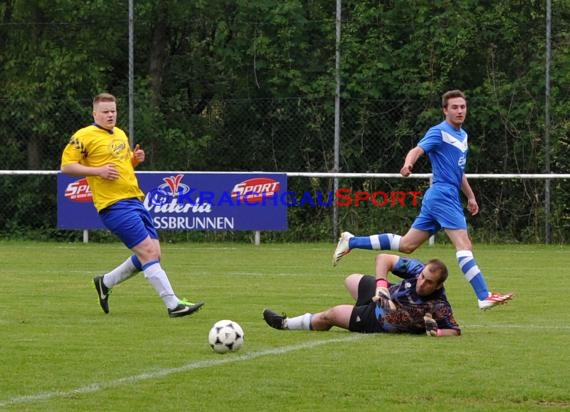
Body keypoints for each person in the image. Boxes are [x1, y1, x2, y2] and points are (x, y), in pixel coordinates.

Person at [332, 89, 513, 311]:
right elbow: (417, 150)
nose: (459, 111)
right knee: (464, 245)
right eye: (454, 107)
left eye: (462, 107)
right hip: (442, 196)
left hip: (443, 196)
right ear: (445, 110)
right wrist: (409, 164)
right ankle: (483, 295)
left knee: (407, 245)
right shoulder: (439, 132)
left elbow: (458, 172)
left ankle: (351, 241)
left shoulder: (462, 136)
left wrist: (471, 196)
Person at [60, 92, 204, 318]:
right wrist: (97, 171)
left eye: (113, 111)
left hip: (135, 199)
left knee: (154, 253)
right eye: (105, 111)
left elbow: (123, 163)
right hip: (113, 205)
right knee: (148, 252)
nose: (110, 115)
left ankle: (105, 282)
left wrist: (134, 159)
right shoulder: (84, 135)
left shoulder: (119, 134)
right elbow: (67, 167)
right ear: (94, 113)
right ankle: (173, 305)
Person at [264, 253, 460, 336]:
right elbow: (383, 258)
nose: (422, 283)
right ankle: (363, 305)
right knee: (350, 279)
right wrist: (381, 286)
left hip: (378, 321)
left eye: (429, 282)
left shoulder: (439, 304)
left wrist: (438, 332)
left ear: (438, 286)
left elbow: (455, 330)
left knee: (332, 314)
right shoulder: (417, 269)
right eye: (422, 277)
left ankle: (285, 324)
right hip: (385, 294)